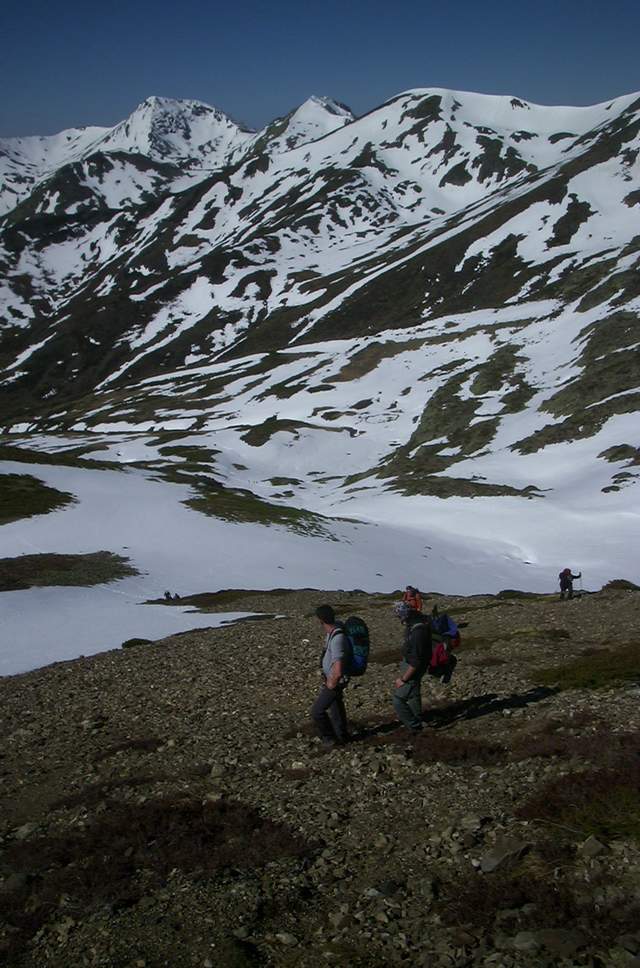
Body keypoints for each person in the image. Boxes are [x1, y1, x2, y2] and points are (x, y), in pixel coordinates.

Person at [311, 604, 350, 747]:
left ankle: (329, 739)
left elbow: (338, 669)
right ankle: (342, 736)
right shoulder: (332, 632)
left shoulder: (337, 638)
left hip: (335, 680)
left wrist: (331, 683)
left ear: (321, 620)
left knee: (317, 711)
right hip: (332, 678)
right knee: (336, 707)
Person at [392, 602, 431, 734]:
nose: (399, 619)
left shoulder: (418, 631)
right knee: (413, 694)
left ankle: (414, 726)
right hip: (413, 665)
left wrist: (403, 679)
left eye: (399, 616)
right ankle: (418, 718)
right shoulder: (416, 625)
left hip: (413, 668)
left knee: (398, 700)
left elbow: (416, 662)